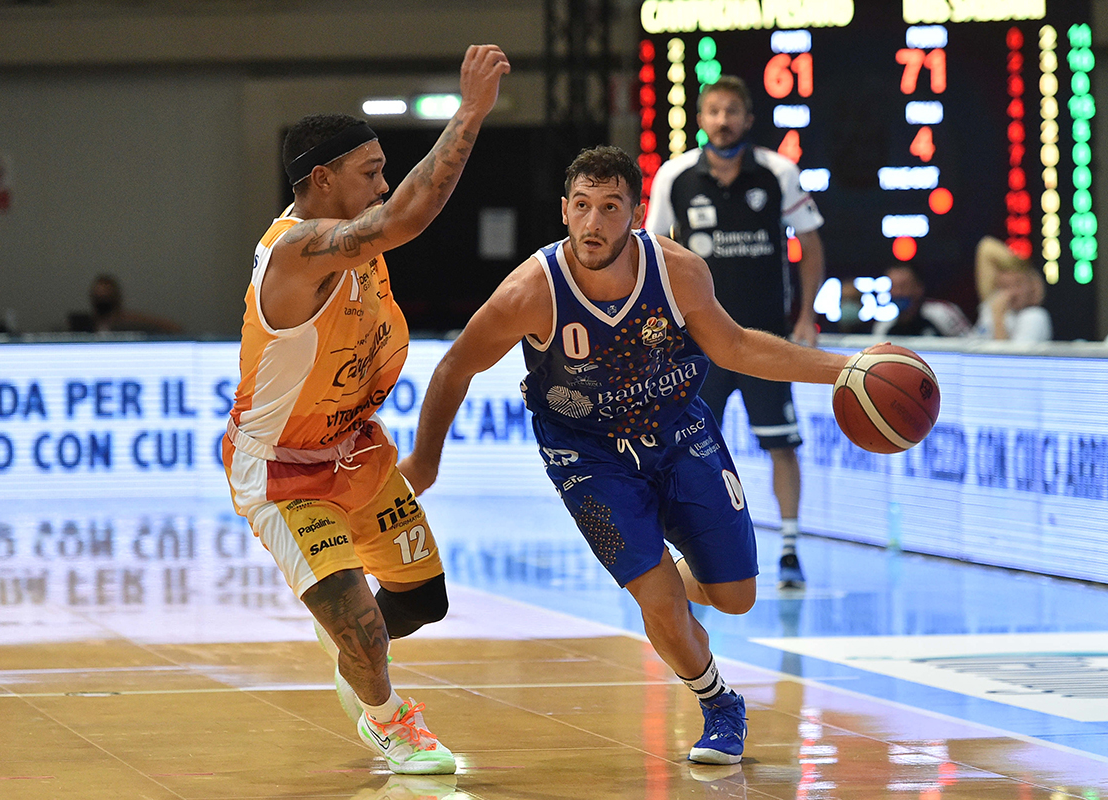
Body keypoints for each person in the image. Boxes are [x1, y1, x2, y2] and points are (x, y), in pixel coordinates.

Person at [399, 146, 848, 765]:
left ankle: (678, 589)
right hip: (586, 455)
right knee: (659, 603)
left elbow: (737, 346)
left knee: (738, 595)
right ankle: (720, 704)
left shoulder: (678, 270)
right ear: (563, 211)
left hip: (680, 433)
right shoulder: (532, 289)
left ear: (636, 214)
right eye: (582, 206)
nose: (593, 222)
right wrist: (426, 460)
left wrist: (845, 369)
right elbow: (455, 367)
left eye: (610, 208)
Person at [222, 44, 510, 776]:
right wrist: (469, 112)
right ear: (321, 181)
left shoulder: (353, 248)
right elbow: (409, 217)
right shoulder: (300, 253)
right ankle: (389, 722)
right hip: (283, 470)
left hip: (355, 450)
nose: (385, 184)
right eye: (372, 172)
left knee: (424, 602)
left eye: (385, 171)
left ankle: (351, 639)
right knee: (365, 631)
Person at [644, 75, 823, 589]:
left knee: (783, 445)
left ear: (747, 119)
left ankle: (789, 550)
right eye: (713, 111)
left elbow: (811, 245)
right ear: (700, 119)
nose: (722, 121)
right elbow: (653, 253)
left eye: (732, 111)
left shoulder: (777, 172)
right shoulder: (675, 176)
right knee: (684, 449)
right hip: (699, 345)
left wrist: (806, 315)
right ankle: (686, 554)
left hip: (764, 343)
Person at [971, 236, 1052, 343]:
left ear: (1032, 286)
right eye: (1005, 286)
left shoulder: (1034, 316)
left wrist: (998, 318)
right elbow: (986, 247)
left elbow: (1009, 359)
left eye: (1017, 284)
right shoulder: (992, 306)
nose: (1012, 293)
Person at [871, 264, 970, 337]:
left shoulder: (943, 313)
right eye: (893, 287)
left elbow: (972, 345)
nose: (898, 293)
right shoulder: (883, 327)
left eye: (903, 286)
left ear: (918, 288)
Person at [67, 274, 183, 334]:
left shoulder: (131, 322)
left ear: (115, 297)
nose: (102, 299)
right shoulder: (84, 325)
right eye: (99, 296)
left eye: (106, 296)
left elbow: (174, 328)